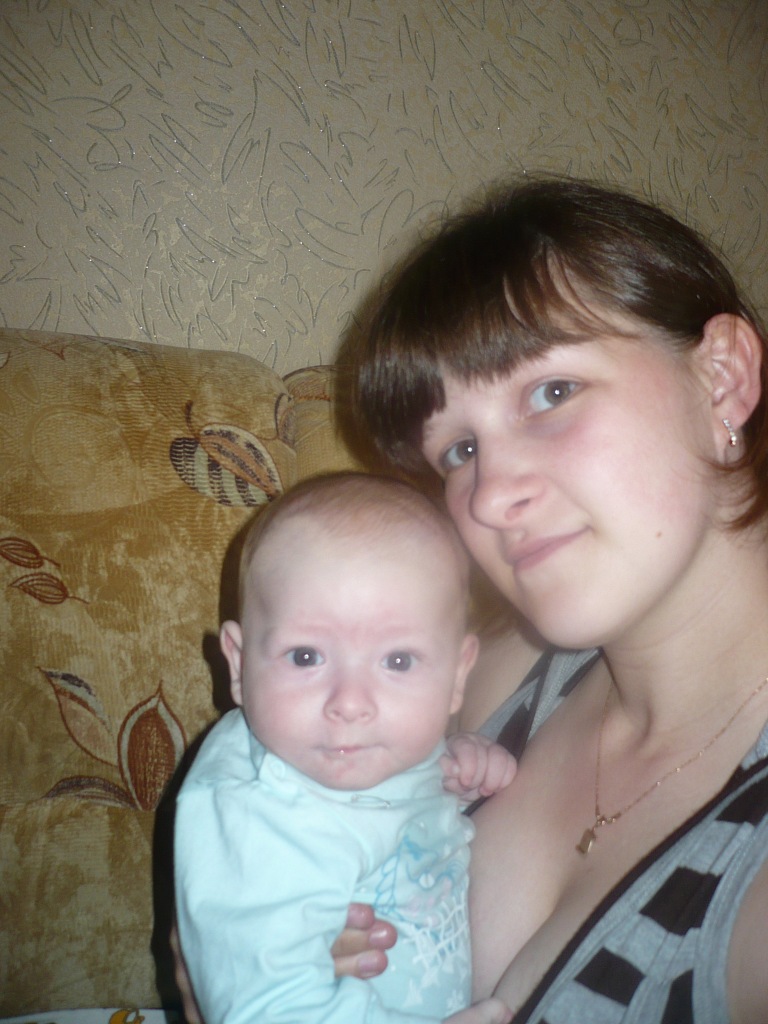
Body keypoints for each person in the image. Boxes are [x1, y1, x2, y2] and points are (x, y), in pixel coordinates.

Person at [335, 176, 768, 1023]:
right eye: (459, 450)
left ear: (722, 380)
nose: (492, 496)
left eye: (551, 393)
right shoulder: (494, 680)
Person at [173, 472, 517, 1024]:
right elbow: (266, 1009)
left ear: (457, 676)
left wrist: (447, 764)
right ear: (238, 664)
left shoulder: (358, 752)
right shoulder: (257, 816)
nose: (350, 704)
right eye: (306, 657)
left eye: (398, 661)